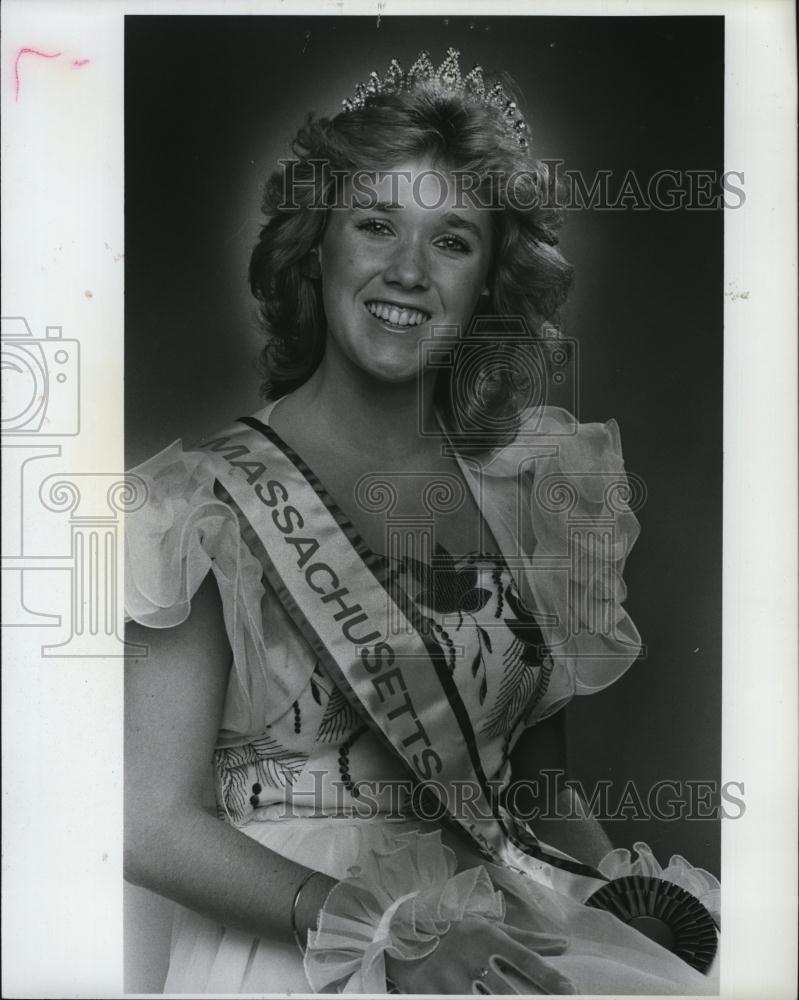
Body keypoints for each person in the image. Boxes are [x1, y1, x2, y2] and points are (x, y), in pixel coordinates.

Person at [124, 49, 719, 994]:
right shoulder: (198, 507)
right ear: (314, 246)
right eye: (374, 224)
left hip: (497, 932)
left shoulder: (534, 495)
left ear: (489, 276)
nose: (407, 271)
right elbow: (148, 825)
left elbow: (533, 794)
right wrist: (387, 936)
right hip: (296, 948)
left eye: (451, 239)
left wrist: (628, 918)